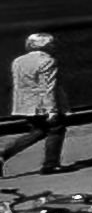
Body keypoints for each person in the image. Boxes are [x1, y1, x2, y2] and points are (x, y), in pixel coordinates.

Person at [2, 31, 60, 176]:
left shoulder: (18, 61)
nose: (54, 46)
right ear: (45, 45)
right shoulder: (47, 61)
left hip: (24, 103)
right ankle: (51, 164)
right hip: (41, 104)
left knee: (39, 131)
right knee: (56, 129)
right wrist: (52, 109)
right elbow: (47, 87)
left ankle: (3, 154)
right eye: (52, 43)